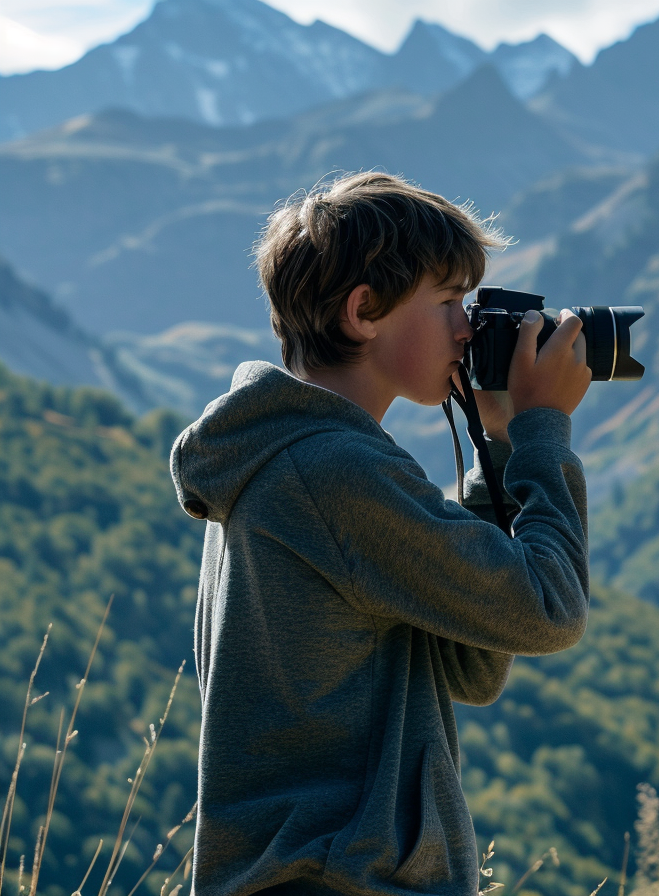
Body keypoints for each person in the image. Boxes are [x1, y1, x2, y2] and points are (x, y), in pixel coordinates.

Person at [170, 171, 592, 896]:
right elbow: (547, 611)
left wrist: (497, 452)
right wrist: (541, 433)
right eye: (449, 301)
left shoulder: (282, 456)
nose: (468, 326)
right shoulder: (334, 473)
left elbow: (473, 665)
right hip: (341, 879)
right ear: (364, 312)